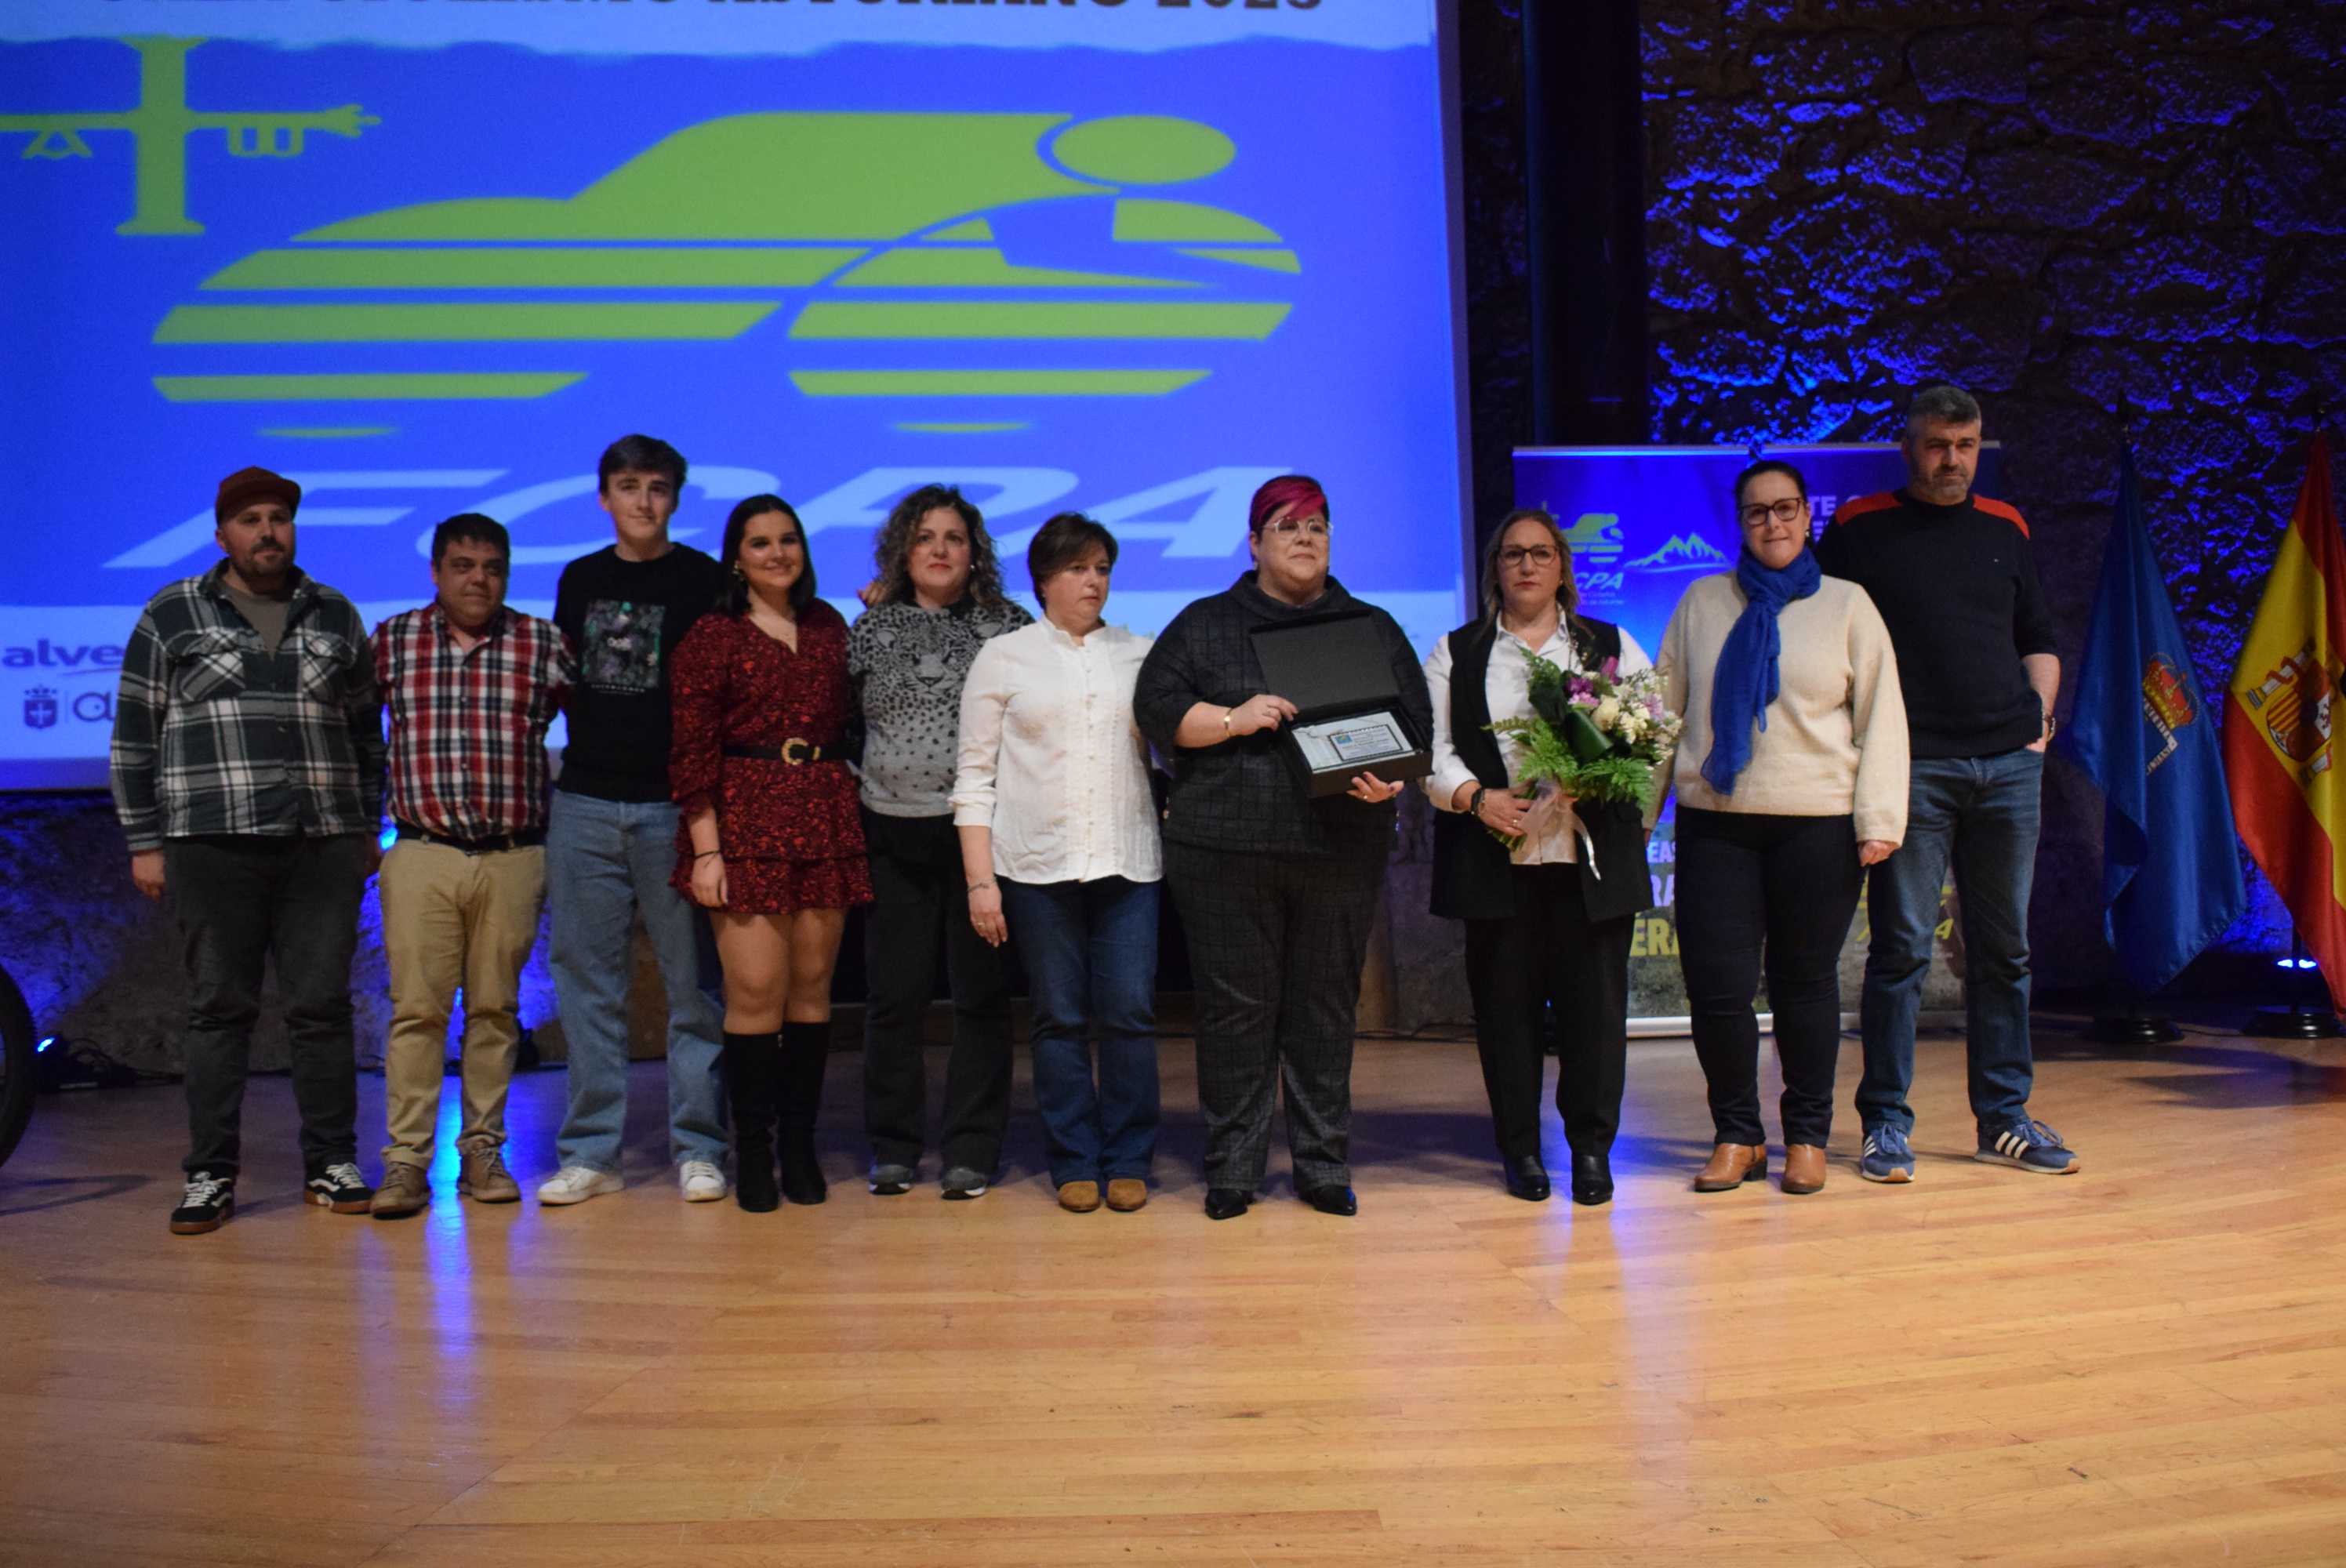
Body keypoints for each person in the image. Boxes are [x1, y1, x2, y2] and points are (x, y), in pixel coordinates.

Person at [1134, 474, 1430, 1221]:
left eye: (1318, 528)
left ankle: (1322, 1164)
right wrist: (1235, 719)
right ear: (1256, 541)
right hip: (1225, 851)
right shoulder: (1203, 624)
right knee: (1237, 1012)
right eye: (1288, 527)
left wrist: (1390, 780)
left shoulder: (1372, 625)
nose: (1306, 540)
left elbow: (1414, 728)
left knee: (1325, 1009)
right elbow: (1157, 711)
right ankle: (1233, 1167)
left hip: (1339, 847)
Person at [110, 466, 387, 1236]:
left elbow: (367, 732)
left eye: (279, 518)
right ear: (222, 532)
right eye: (251, 519)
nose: (268, 531)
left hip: (321, 844)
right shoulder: (173, 611)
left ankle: (331, 1161)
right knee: (217, 1011)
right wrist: (144, 841)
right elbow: (135, 734)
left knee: (321, 1010)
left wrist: (367, 825)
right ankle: (209, 1174)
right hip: (210, 844)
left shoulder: (333, 612)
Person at [1814, 384, 2074, 1180]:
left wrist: (2037, 722)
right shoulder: (1860, 527)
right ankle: (1885, 1121)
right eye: (1936, 445)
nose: (1952, 459)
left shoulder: (2006, 526)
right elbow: (1823, 632)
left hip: (2007, 766)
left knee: (2004, 951)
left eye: (1965, 445)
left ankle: (2003, 1116)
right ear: (1907, 446)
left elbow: (2037, 635)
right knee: (1899, 952)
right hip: (1912, 766)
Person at [1660, 462, 1908, 1196]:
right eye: (1757, 512)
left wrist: (1880, 819)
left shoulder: (1848, 605)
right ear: (1740, 523)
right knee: (1718, 990)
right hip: (1719, 823)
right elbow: (1662, 717)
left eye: (1786, 509)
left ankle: (1806, 1136)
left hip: (1818, 826)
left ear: (1808, 517)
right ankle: (1738, 1134)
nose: (1773, 523)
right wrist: (1635, 819)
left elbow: (1882, 718)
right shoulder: (1704, 602)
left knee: (1805, 987)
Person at [1423, 508, 1654, 1207]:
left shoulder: (1610, 645)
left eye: (1541, 553)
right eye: (1512, 553)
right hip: (1497, 862)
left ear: (1562, 567)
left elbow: (1652, 735)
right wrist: (1472, 797)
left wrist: (1603, 777)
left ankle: (1590, 1150)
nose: (1526, 565)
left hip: (1588, 861)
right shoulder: (1456, 652)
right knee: (1506, 1016)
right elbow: (1432, 749)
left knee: (1595, 1017)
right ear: (1496, 568)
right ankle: (1520, 1151)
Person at [539, 435, 732, 1207]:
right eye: (628, 485)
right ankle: (590, 1151)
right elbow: (564, 680)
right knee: (587, 982)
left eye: (657, 487)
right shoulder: (580, 577)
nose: (643, 500)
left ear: (676, 498)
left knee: (693, 985)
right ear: (604, 497)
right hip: (584, 799)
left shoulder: (704, 578)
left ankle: (700, 1145)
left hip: (674, 805)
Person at [953, 514, 1161, 1214]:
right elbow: (974, 777)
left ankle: (1129, 1156)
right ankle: (1074, 1158)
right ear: (1044, 580)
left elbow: (1174, 750)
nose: (1093, 580)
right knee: (1059, 1018)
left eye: (1102, 567)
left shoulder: (1140, 652)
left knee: (1130, 1014)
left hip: (1127, 863)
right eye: (1078, 568)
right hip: (1036, 868)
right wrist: (981, 882)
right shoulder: (1005, 657)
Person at [367, 515, 574, 1219]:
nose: (477, 578)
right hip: (422, 850)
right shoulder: (392, 641)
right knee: (417, 1012)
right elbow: (356, 737)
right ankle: (404, 1163)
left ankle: (482, 1149)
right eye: (462, 565)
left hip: (513, 855)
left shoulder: (541, 643)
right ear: (436, 572)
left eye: (491, 566)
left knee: (495, 1012)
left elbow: (604, 729)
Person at [670, 496, 870, 1212]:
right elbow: (691, 753)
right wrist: (707, 851)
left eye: (789, 540)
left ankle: (799, 1145)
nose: (778, 553)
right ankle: (751, 1150)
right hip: (745, 818)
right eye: (761, 543)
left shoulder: (829, 628)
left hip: (821, 811)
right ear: (737, 556)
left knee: (812, 996)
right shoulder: (712, 636)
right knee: (756, 994)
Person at [848, 485, 1033, 1200]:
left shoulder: (1008, 628)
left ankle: (972, 1149)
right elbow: (848, 725)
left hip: (978, 839)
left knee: (981, 1000)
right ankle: (893, 1148)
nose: (939, 549)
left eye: (954, 537)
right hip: (890, 831)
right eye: (924, 537)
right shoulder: (869, 628)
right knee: (893, 999)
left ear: (974, 552)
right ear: (904, 549)